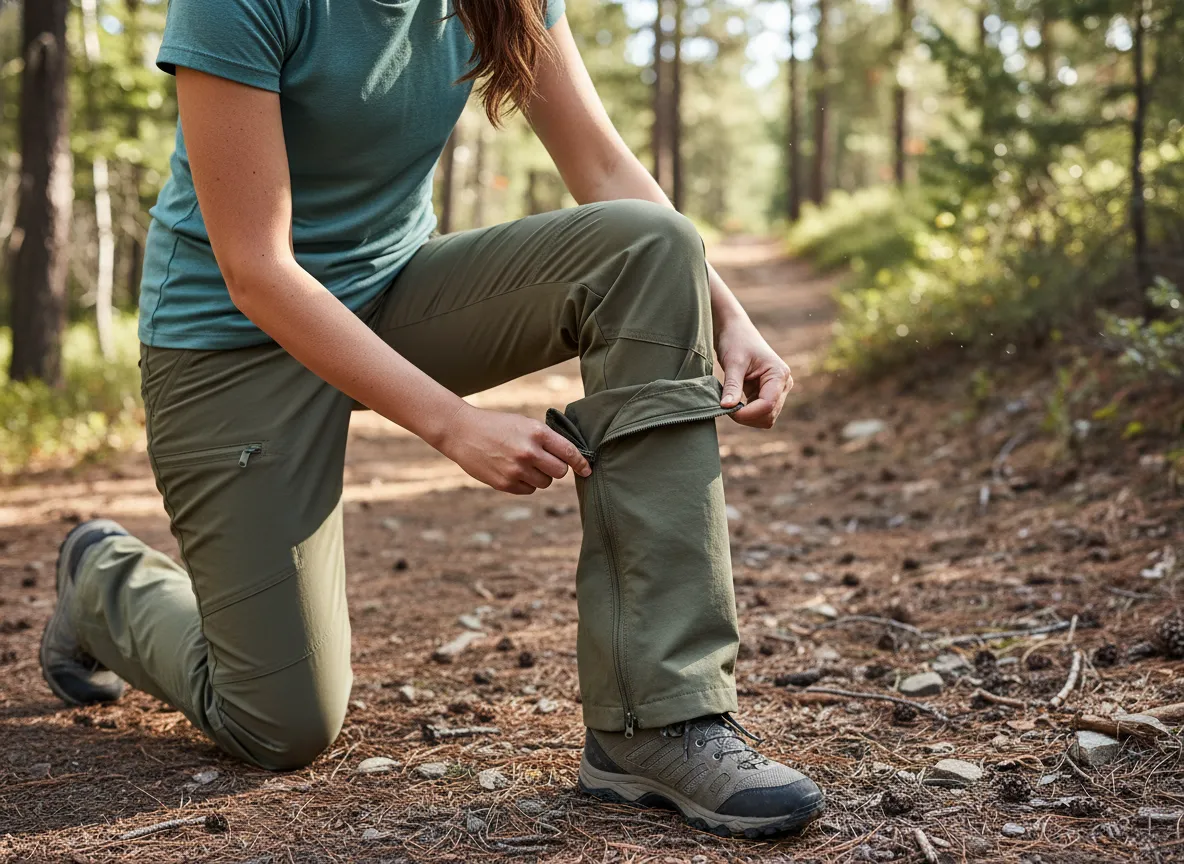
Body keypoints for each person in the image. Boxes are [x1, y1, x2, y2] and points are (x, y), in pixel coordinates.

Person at [39, 0, 824, 839]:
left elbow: (601, 165)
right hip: (232, 346)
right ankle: (104, 581)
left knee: (647, 246)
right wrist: (452, 424)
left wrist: (727, 315)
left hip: (392, 296)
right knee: (280, 723)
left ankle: (659, 717)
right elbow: (258, 271)